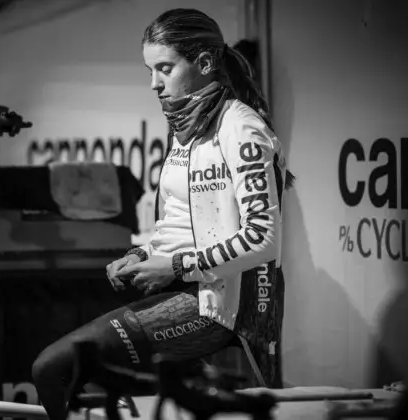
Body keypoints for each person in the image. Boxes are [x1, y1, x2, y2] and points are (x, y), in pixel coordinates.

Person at [31, 8, 294, 420]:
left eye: (164, 69)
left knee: (54, 367)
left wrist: (174, 267)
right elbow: (180, 223)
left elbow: (263, 238)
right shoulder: (186, 126)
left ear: (205, 64)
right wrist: (141, 253)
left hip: (223, 307)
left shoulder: (241, 128)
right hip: (187, 289)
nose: (153, 83)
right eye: (149, 70)